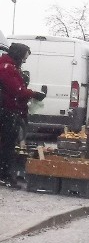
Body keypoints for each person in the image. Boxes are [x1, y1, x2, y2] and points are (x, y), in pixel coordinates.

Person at [0, 43, 45, 189]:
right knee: (7, 144)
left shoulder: (10, 67)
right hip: (7, 111)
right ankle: (4, 175)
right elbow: (17, 89)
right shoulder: (7, 68)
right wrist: (33, 94)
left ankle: (6, 174)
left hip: (10, 110)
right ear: (18, 55)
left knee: (8, 143)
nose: (24, 61)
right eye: (24, 58)